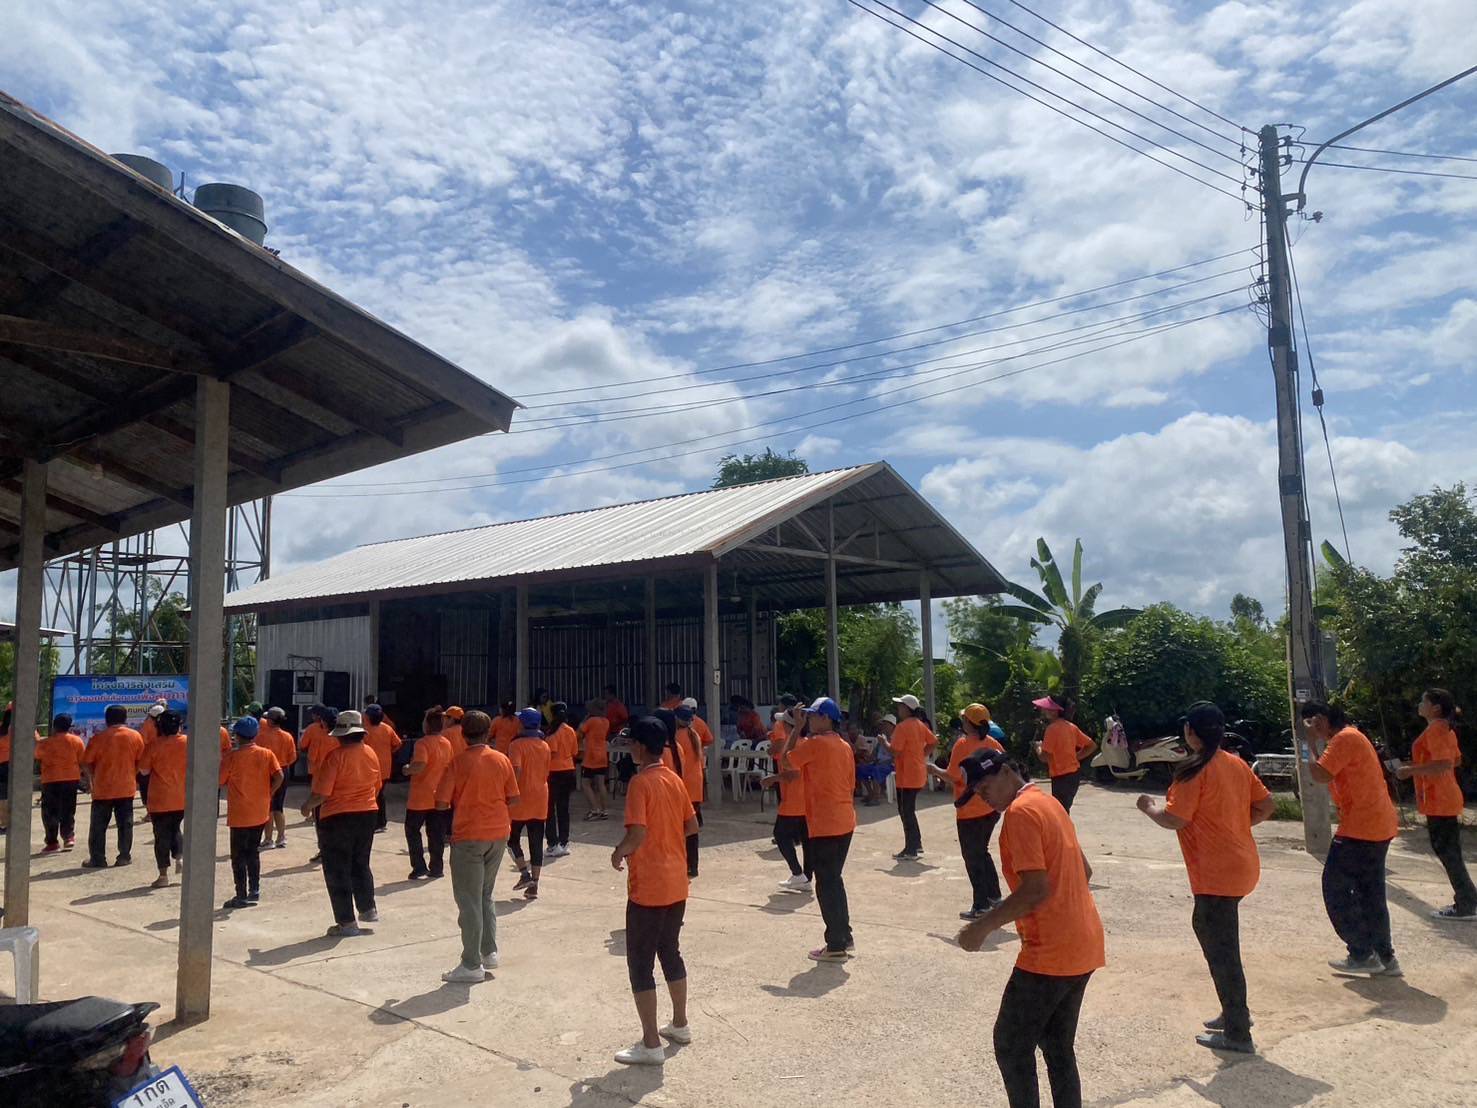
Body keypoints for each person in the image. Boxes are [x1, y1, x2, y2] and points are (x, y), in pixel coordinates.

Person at [957, 748, 1105, 1108]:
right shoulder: (1048, 803)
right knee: (1057, 1045)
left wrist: (982, 927)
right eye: (976, 793)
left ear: (1007, 772)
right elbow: (1084, 871)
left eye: (985, 787)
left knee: (1010, 1044)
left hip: (1050, 953)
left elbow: (1036, 889)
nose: (983, 797)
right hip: (1084, 943)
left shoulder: (1020, 814)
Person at [1136, 702, 1275, 1054]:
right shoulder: (1235, 763)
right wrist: (1234, 825)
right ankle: (1234, 1012)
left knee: (1222, 951)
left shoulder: (1193, 771)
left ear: (1190, 732)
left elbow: (1174, 819)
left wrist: (1148, 807)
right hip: (1241, 866)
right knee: (1216, 938)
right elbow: (1266, 805)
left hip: (1218, 875)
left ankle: (1238, 1031)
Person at [611, 716, 698, 1066]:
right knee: (670, 951)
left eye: (631, 743)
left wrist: (619, 851)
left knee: (641, 963)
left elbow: (637, 833)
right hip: (676, 880)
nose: (629, 748)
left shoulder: (640, 782)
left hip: (649, 884)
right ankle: (680, 1023)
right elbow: (691, 825)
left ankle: (650, 1043)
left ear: (640, 746)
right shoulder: (674, 778)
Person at [1303, 701, 1401, 976]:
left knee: (1335, 888)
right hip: (1376, 823)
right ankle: (1384, 956)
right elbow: (1328, 771)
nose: (1311, 728)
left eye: (1311, 722)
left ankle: (1362, 952)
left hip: (1361, 827)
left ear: (1321, 719)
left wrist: (1308, 744)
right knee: (1370, 893)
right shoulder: (1351, 736)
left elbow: (1320, 774)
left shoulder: (1344, 739)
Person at [437, 709, 519, 982]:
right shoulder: (501, 759)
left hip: (469, 835)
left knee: (469, 900)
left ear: (463, 734)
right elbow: (513, 797)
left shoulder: (458, 762)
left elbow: (441, 802)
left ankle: (471, 964)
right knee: (485, 894)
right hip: (498, 832)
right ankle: (489, 951)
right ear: (487, 734)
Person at [781, 697, 857, 961]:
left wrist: (795, 729)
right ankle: (843, 936)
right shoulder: (843, 745)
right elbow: (850, 783)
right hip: (844, 819)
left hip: (826, 822)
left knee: (827, 884)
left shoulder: (815, 744)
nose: (809, 719)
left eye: (813, 715)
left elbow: (786, 761)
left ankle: (836, 944)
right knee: (834, 880)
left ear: (825, 718)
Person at [1395, 688, 1475, 921]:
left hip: (1440, 799)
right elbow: (1455, 760)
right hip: (1444, 797)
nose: (1419, 704)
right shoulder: (1444, 728)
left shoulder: (1436, 729)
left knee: (1448, 853)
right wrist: (1418, 766)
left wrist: (1411, 770)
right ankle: (1469, 898)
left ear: (1435, 708)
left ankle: (1466, 903)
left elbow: (1443, 764)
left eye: (1423, 701)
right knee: (1449, 852)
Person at [301, 710, 381, 936]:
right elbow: (377, 786)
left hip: (338, 817)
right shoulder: (371, 753)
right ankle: (368, 908)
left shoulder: (335, 757)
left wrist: (306, 806)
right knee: (360, 862)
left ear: (341, 735)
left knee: (337, 869)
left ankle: (346, 922)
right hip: (367, 813)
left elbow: (322, 793)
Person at [930, 704, 1006, 920]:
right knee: (982, 852)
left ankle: (981, 905)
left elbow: (954, 776)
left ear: (968, 723)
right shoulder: (993, 743)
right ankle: (994, 896)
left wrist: (934, 770)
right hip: (991, 807)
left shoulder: (962, 744)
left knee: (973, 857)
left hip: (970, 811)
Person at [220, 716, 283, 909]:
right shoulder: (266, 754)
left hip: (240, 813)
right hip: (260, 810)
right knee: (253, 852)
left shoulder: (231, 757)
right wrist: (269, 793)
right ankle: (254, 890)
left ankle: (241, 895)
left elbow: (220, 780)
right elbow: (279, 776)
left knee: (238, 856)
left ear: (237, 735)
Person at [80, 704, 144, 868]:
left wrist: (91, 778)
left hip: (103, 788)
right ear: (125, 719)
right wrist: (132, 774)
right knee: (125, 824)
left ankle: (98, 859)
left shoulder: (98, 738)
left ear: (107, 720)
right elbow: (140, 761)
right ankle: (124, 856)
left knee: (98, 826)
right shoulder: (135, 736)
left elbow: (86, 762)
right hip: (126, 787)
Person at [877, 693, 934, 860]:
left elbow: (895, 751)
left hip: (906, 776)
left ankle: (911, 849)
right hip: (917, 773)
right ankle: (916, 844)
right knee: (909, 811)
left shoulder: (902, 727)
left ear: (908, 709)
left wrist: (884, 743)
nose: (899, 709)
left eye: (901, 706)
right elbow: (933, 742)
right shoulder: (920, 724)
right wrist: (922, 755)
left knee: (905, 812)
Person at [762, 706, 812, 893]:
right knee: (806, 840)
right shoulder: (805, 742)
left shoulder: (793, 745)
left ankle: (798, 873)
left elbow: (793, 774)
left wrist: (772, 779)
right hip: (805, 799)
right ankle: (806, 877)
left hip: (793, 800)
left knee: (781, 835)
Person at [138, 710, 188, 887]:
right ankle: (180, 857)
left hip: (159, 799)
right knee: (175, 828)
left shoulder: (153, 746)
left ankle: (163, 875)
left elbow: (144, 770)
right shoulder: (188, 743)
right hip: (182, 797)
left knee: (161, 836)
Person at [404, 705, 454, 879]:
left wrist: (407, 769)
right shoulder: (446, 743)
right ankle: (436, 868)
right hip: (440, 795)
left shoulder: (422, 743)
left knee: (412, 830)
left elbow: (419, 765)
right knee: (436, 834)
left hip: (420, 796)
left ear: (427, 724)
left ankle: (419, 866)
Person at [508, 708, 551, 900]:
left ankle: (524, 874)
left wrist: (508, 792)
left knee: (511, 839)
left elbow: (516, 770)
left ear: (522, 724)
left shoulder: (516, 745)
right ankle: (535, 884)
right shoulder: (544, 745)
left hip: (520, 798)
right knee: (536, 841)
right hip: (540, 797)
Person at [1033, 697, 1097, 813]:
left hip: (1061, 777)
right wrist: (1076, 757)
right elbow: (1091, 746)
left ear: (1054, 711)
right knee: (1063, 810)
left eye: (1046, 708)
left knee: (1060, 812)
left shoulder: (1052, 729)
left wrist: (1038, 747)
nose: (1043, 710)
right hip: (1073, 775)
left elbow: (1044, 757)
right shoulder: (1071, 727)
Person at [36, 714, 86, 853]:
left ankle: (52, 842)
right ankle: (68, 837)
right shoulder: (76, 741)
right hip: (71, 779)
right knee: (68, 810)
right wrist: (88, 781)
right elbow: (82, 761)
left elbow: (37, 755)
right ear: (69, 727)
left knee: (50, 812)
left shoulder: (46, 743)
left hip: (50, 780)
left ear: (54, 727)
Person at [673, 703, 709, 879]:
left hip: (684, 787)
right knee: (692, 829)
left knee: (681, 828)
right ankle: (692, 866)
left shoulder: (677, 737)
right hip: (695, 786)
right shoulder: (693, 734)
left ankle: (683, 863)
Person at [258, 706, 297, 849]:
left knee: (268, 806)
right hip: (283, 770)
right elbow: (293, 757)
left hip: (267, 772)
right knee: (278, 806)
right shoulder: (287, 736)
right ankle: (281, 837)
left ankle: (268, 839)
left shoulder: (261, 736)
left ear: (270, 720)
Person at [545, 702, 578, 858]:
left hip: (553, 771)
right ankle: (564, 842)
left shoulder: (552, 732)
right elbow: (574, 751)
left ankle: (552, 843)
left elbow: (550, 753)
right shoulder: (570, 730)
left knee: (549, 809)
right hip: (568, 769)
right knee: (564, 808)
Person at [362, 703, 403, 832]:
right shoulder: (387, 728)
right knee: (379, 795)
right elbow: (398, 744)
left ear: (368, 717)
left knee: (373, 796)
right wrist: (390, 751)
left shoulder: (365, 731)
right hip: (385, 768)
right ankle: (380, 822)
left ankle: (378, 822)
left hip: (370, 767)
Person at [579, 700, 611, 821]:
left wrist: (585, 718)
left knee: (585, 783)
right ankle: (604, 810)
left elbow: (581, 730)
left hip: (591, 756)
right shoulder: (606, 721)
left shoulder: (591, 721)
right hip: (602, 755)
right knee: (601, 784)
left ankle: (594, 809)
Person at [136, 700, 167, 817]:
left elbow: (142, 742)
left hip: (150, 760)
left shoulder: (148, 724)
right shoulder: (169, 724)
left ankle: (150, 812)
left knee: (148, 787)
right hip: (165, 759)